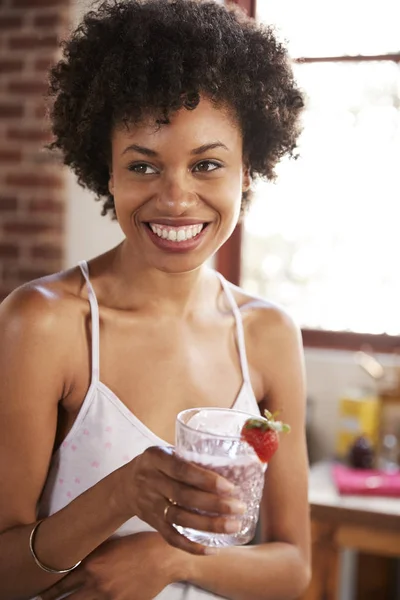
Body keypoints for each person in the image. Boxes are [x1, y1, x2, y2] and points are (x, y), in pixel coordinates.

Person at [0, 1, 310, 598]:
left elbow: (293, 567)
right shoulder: (44, 324)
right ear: (106, 172)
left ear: (247, 172)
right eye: (143, 165)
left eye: (208, 164)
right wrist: (120, 494)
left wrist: (170, 560)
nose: (175, 198)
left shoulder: (268, 334)